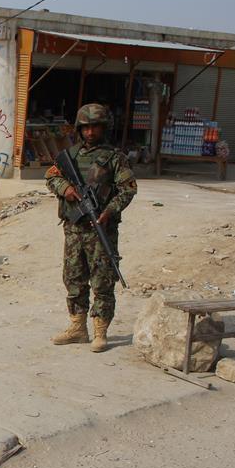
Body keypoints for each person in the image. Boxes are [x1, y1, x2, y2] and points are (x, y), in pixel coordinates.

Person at [45, 103, 137, 352]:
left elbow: (128, 189)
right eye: (85, 127)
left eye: (95, 127)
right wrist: (67, 190)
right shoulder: (70, 156)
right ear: (79, 128)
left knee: (103, 280)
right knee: (73, 277)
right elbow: (51, 176)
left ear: (104, 127)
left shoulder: (115, 158)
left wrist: (109, 210)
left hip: (101, 230)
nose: (90, 132)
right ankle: (77, 327)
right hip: (75, 229)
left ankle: (100, 331)